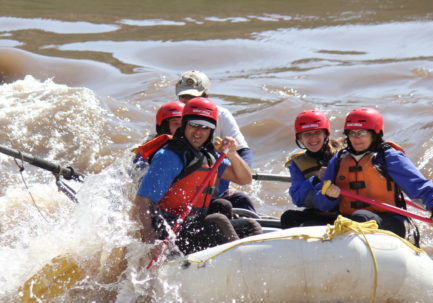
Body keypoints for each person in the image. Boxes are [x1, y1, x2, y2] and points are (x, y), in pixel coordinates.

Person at [133, 97, 261, 255]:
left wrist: (233, 154)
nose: (198, 132)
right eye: (193, 125)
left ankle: (251, 259)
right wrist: (151, 242)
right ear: (184, 124)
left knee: (239, 218)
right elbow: (142, 202)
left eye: (205, 127)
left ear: (212, 131)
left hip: (192, 224)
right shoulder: (169, 156)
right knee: (218, 221)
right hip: (170, 229)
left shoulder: (209, 155)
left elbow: (244, 179)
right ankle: (240, 260)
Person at [312, 107, 433, 239]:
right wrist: (329, 196)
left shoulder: (390, 158)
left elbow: (420, 187)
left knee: (361, 217)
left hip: (390, 221)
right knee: (297, 219)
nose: (356, 138)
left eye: (362, 132)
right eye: (352, 133)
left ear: (374, 133)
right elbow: (322, 203)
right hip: (350, 222)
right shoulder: (339, 159)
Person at [174, 70, 257, 213]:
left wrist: (238, 171)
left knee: (241, 200)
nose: (188, 102)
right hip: (180, 185)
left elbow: (243, 152)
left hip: (214, 180)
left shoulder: (222, 115)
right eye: (184, 97)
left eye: (193, 97)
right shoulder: (172, 116)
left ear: (205, 95)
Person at [280, 110, 341, 228]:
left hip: (343, 214)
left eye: (317, 132)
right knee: (289, 217)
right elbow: (298, 199)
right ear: (300, 138)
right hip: (318, 214)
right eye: (307, 134)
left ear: (325, 134)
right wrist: (315, 180)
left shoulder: (342, 156)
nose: (313, 138)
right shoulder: (297, 164)